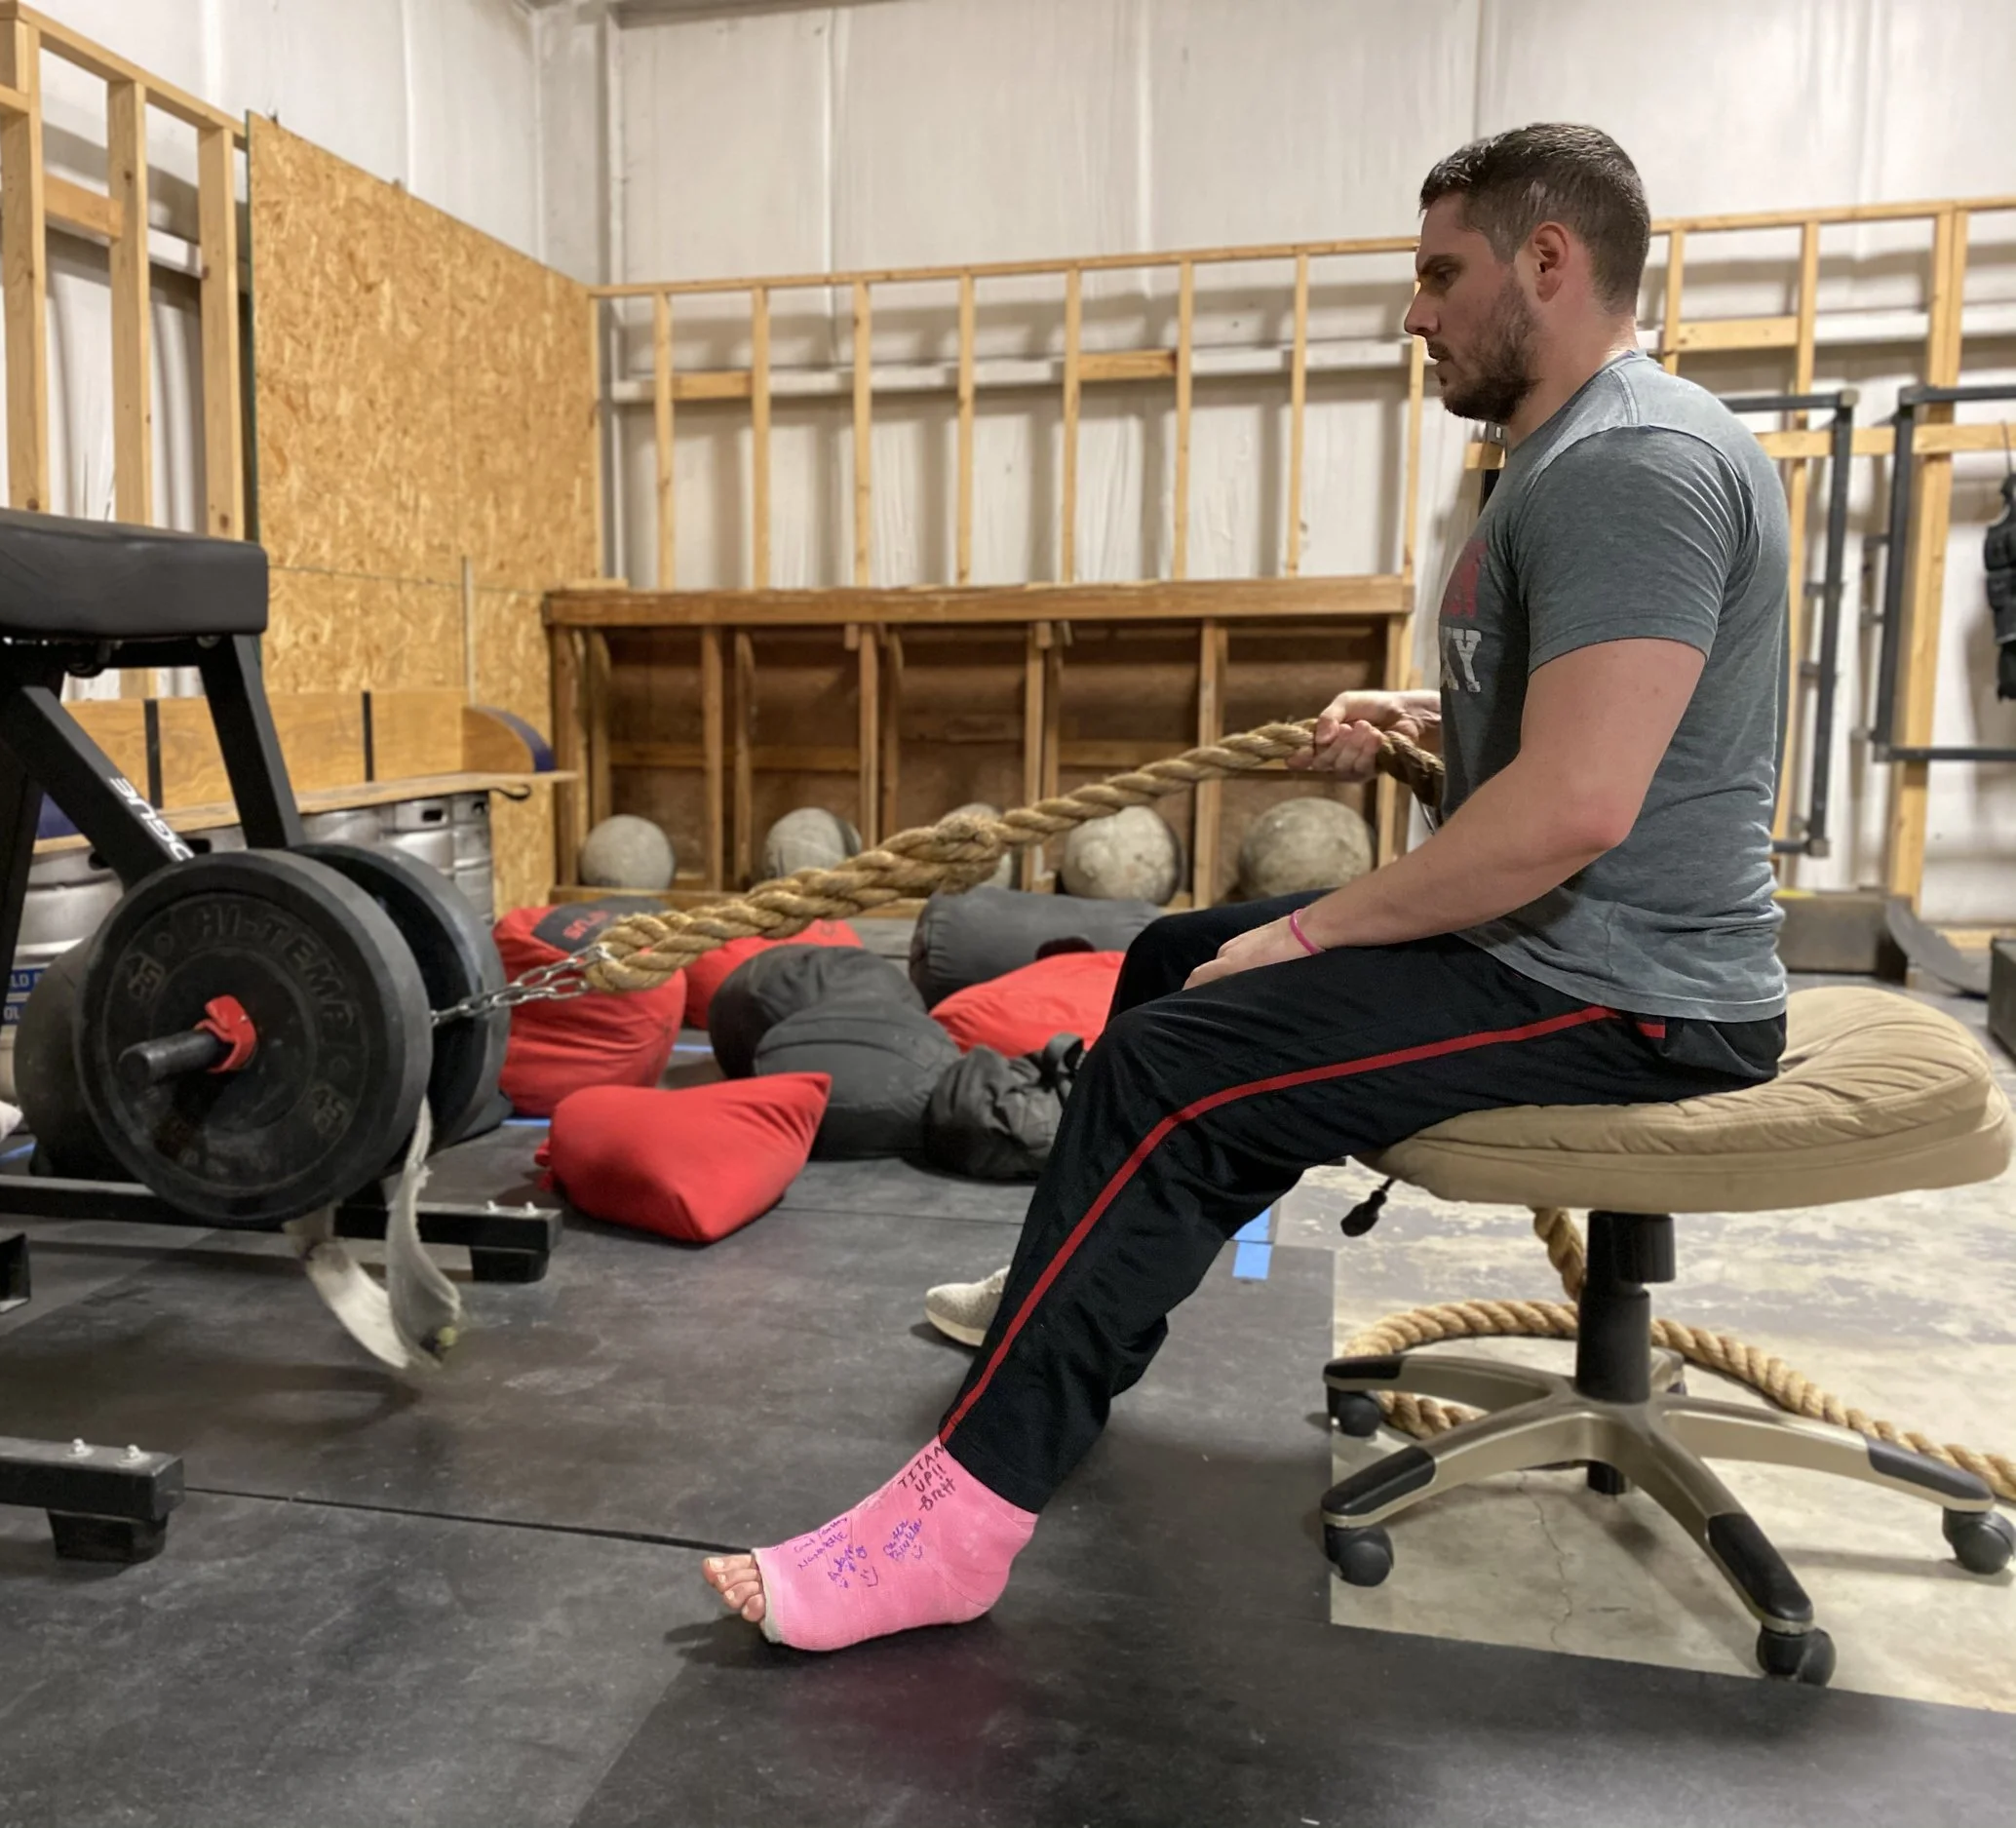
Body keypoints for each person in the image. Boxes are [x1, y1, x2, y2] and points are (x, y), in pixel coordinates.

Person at [704, 122, 1793, 1653]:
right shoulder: (1572, 452)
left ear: (1551, 262)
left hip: (1631, 995)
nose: (1413, 312)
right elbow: (1597, 734)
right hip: (1568, 948)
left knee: (1174, 1065)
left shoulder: (1633, 462)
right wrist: (1426, 724)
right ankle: (1070, 1311)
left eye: (1439, 273)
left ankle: (962, 1521)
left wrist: (1308, 926)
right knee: (1169, 962)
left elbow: (1576, 806)